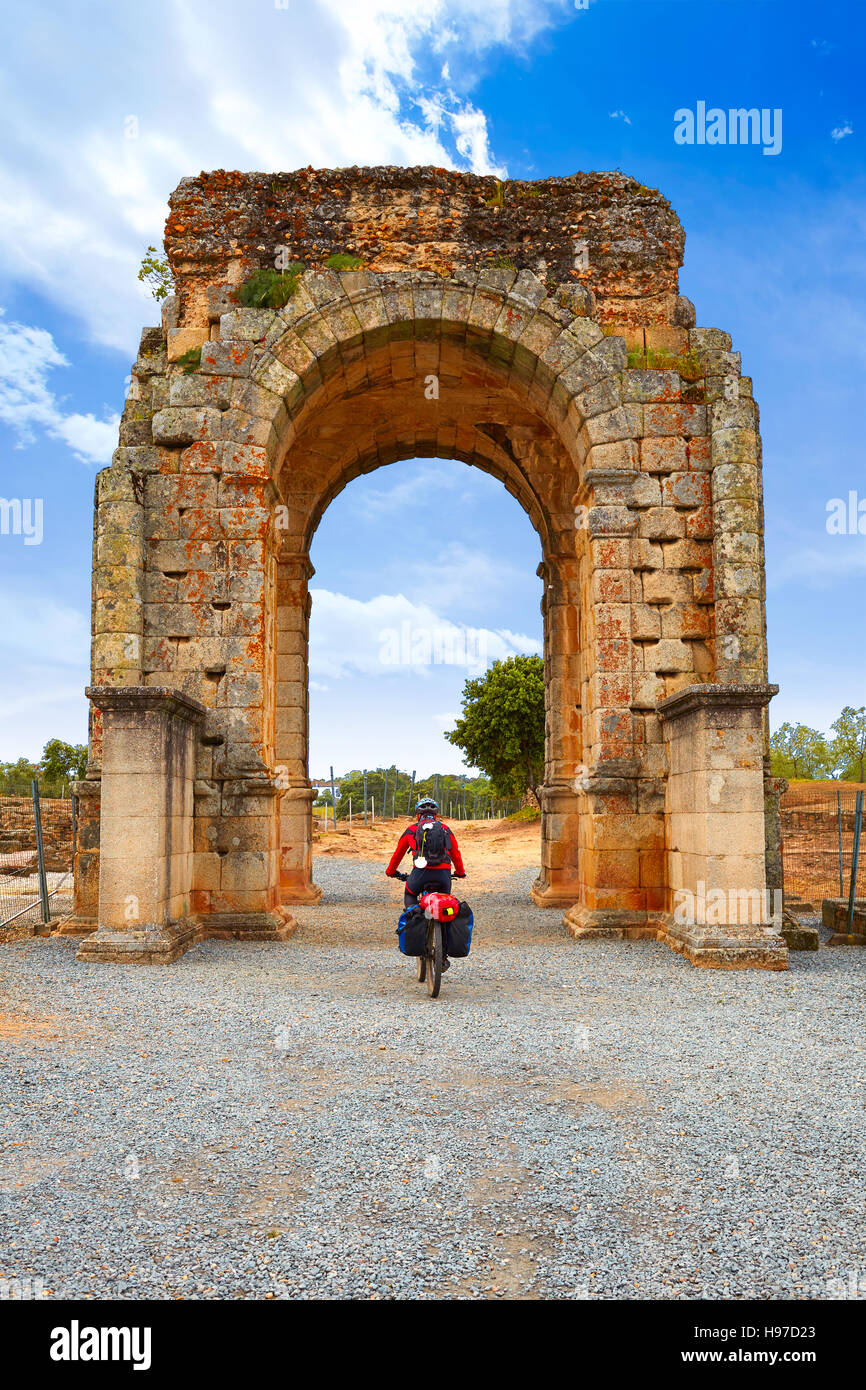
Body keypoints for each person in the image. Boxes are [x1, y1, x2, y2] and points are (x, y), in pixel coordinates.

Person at [386, 797, 466, 969]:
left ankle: (415, 921)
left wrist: (391, 872)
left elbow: (397, 855)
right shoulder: (445, 829)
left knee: (410, 894)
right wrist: (460, 872)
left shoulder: (411, 830)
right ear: (436, 816)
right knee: (445, 906)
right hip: (443, 876)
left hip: (420, 874)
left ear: (417, 815)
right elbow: (455, 854)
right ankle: (443, 956)